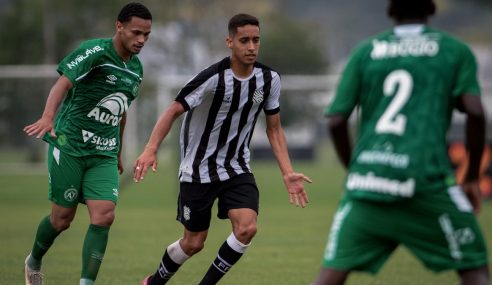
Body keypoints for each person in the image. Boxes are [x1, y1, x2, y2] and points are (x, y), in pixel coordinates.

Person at [312, 0, 490, 284]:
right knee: (475, 269)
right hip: (426, 184)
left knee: (330, 277)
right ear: (431, 9)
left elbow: (335, 120)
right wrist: (469, 177)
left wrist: (354, 168)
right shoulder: (454, 51)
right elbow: (476, 112)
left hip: (368, 187)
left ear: (391, 10)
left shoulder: (365, 51)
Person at [134, 13, 311, 285]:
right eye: (244, 41)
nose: (251, 47)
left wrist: (287, 172)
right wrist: (150, 148)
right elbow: (173, 110)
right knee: (193, 243)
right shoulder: (213, 78)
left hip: (236, 167)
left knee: (247, 228)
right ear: (230, 42)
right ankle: (155, 281)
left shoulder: (268, 79)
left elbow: (274, 129)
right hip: (197, 170)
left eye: (256, 40)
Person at [22, 3, 152, 285]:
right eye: (136, 32)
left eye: (146, 35)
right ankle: (33, 259)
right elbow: (62, 84)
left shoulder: (137, 69)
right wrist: (48, 118)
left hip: (103, 153)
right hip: (69, 144)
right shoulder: (95, 51)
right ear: (119, 26)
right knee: (61, 220)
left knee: (104, 216)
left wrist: (117, 152)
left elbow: (121, 110)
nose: (141, 40)